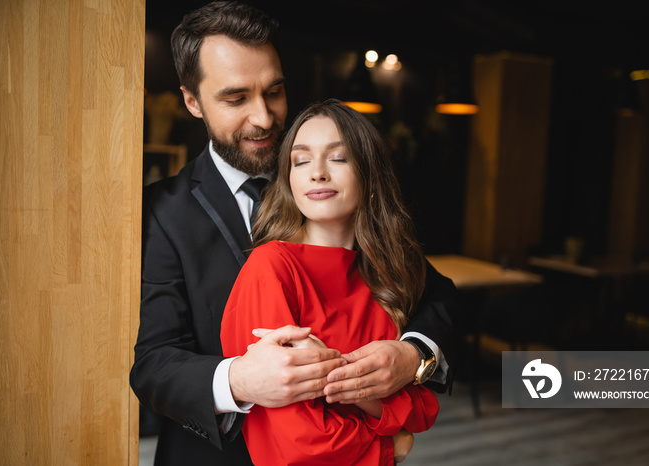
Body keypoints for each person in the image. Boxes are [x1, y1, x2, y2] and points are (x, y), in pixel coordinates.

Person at [130, 2, 458, 465]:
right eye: (236, 98)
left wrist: (413, 355)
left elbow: (437, 296)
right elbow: (152, 366)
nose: (264, 118)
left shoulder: (336, 193)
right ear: (192, 101)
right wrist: (239, 379)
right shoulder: (161, 211)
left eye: (275, 91)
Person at [221, 99, 440, 465]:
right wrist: (390, 442)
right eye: (301, 160)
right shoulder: (272, 267)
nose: (317, 173)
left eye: (338, 158)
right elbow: (300, 443)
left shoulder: (387, 275)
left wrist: (335, 377)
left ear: (370, 177)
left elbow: (422, 410)